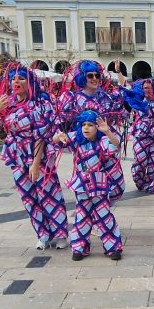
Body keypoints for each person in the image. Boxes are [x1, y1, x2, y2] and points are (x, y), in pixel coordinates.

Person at [0, 65, 68, 250]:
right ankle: (43, 234)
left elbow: (43, 134)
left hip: (41, 152)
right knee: (28, 197)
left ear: (29, 81)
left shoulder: (41, 102)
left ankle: (60, 233)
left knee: (49, 194)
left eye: (21, 78)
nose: (16, 82)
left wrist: (36, 164)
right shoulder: (7, 102)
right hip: (17, 154)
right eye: (14, 79)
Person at [53, 110, 123, 261]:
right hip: (81, 185)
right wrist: (58, 136)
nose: (86, 128)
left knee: (104, 216)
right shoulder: (76, 139)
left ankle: (113, 247)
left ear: (97, 127)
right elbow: (54, 140)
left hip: (100, 184)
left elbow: (116, 145)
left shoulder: (103, 141)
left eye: (90, 125)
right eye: (83, 124)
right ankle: (79, 247)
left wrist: (107, 131)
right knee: (82, 216)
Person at [59, 60, 126, 203]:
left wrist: (118, 72)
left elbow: (123, 90)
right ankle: (91, 209)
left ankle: (102, 206)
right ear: (82, 77)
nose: (94, 78)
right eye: (90, 76)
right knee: (87, 180)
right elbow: (63, 120)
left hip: (106, 143)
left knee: (115, 183)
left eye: (97, 75)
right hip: (85, 145)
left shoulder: (106, 96)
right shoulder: (74, 99)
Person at [126, 79, 154, 194]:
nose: (147, 90)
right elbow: (126, 87)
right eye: (144, 88)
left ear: (153, 89)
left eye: (149, 87)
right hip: (140, 136)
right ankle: (140, 181)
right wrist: (118, 72)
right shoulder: (136, 101)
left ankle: (151, 184)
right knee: (140, 161)